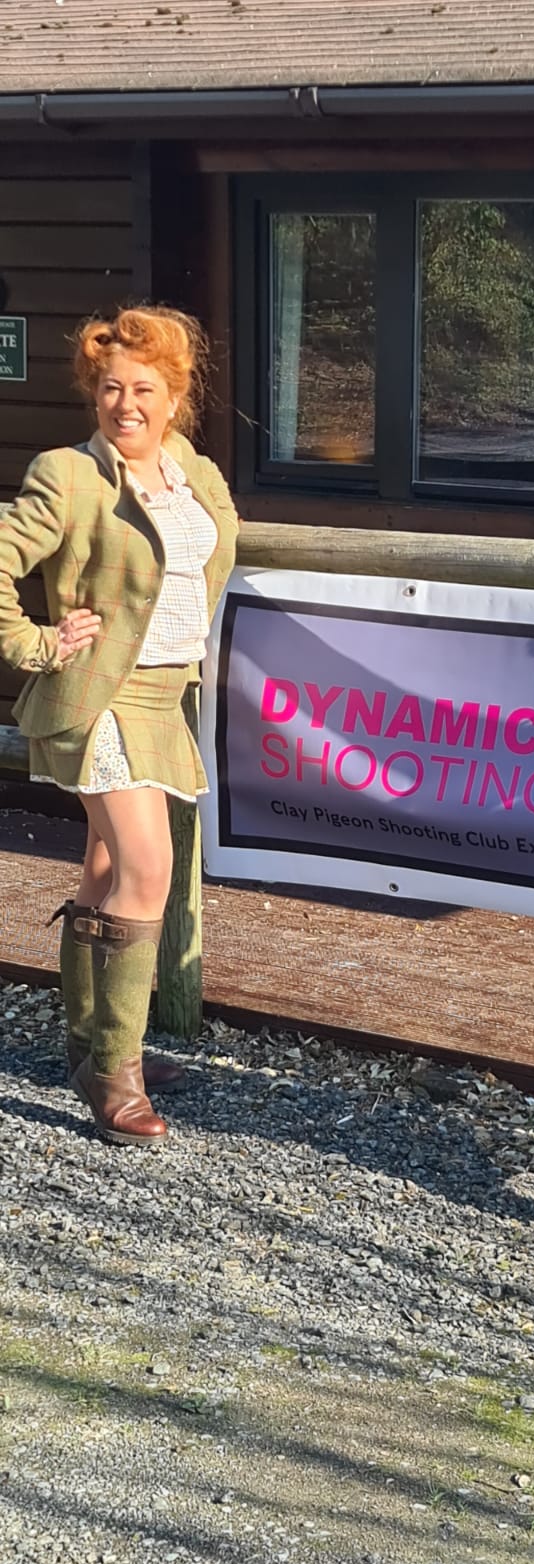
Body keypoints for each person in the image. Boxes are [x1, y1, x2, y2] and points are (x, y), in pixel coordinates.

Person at [0, 306, 238, 1147]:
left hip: (167, 696)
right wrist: (33, 644)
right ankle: (116, 1075)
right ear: (93, 394)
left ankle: (88, 1045)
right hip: (100, 696)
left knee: (105, 869)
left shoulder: (192, 469)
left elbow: (209, 556)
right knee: (147, 869)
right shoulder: (69, 474)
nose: (125, 404)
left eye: (143, 389)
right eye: (109, 388)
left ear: (174, 396)